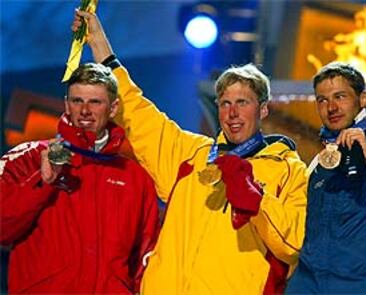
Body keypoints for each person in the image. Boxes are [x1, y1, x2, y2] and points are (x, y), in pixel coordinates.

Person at [72, 10, 308, 294]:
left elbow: (293, 245)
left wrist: (257, 199)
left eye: (242, 102)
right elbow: (135, 110)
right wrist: (98, 42)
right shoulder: (192, 154)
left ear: (264, 109)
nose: (232, 113)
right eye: (224, 103)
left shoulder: (290, 170)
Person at [0, 63, 160, 293]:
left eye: (95, 102)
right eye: (77, 101)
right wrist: (43, 183)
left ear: (113, 107)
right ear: (67, 104)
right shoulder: (28, 158)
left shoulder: (135, 177)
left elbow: (146, 257)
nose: (85, 110)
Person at [286, 62, 366, 294]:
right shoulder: (320, 162)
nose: (331, 107)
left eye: (340, 96)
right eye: (322, 100)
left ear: (363, 99)